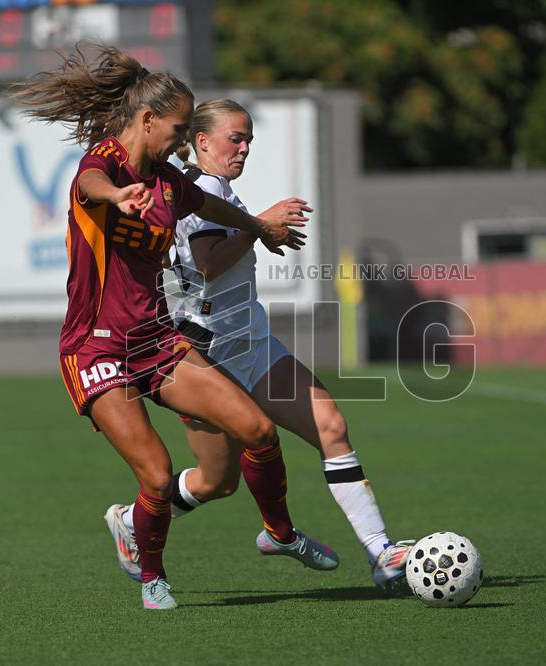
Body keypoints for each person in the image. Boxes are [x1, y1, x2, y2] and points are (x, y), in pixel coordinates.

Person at [9, 46, 334, 611]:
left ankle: (280, 534)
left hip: (158, 341)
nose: (183, 142)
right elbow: (88, 183)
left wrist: (258, 225)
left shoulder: (166, 180)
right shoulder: (107, 162)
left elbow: (215, 209)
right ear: (148, 120)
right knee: (157, 475)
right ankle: (152, 574)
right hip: (95, 348)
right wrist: (116, 195)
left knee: (257, 429)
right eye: (179, 130)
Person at [161, 99, 412, 592]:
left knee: (331, 425)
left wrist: (257, 228)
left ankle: (382, 554)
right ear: (202, 141)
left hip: (251, 344)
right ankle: (135, 519)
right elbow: (209, 263)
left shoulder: (219, 191)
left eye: (249, 137)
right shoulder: (196, 190)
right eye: (236, 137)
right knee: (217, 481)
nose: (246, 147)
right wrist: (259, 225)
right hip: (205, 358)